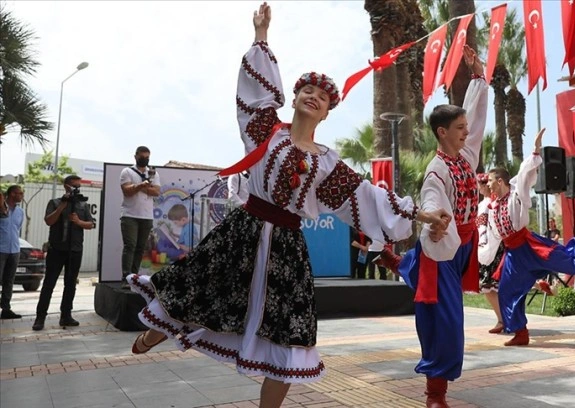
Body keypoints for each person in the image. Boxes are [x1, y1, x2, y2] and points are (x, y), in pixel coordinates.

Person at [124, 3, 449, 407]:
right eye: (307, 90)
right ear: (294, 97)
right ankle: (155, 331)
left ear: (328, 113)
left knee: (291, 335)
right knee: (197, 293)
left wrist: (420, 213)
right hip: (242, 232)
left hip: (287, 250)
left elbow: (365, 196)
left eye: (323, 97)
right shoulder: (264, 131)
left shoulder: (327, 164)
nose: (314, 97)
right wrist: (262, 35)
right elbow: (254, 93)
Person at [372, 45, 488, 408]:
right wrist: (436, 220)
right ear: (441, 132)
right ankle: (434, 395)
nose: (466, 133)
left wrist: (479, 77)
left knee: (443, 309)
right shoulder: (436, 170)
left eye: (466, 128)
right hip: (443, 247)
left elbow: (478, 119)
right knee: (446, 322)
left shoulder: (466, 155)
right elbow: (433, 199)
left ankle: (399, 263)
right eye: (459, 129)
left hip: (463, 246)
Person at [479, 130, 575, 347]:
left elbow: (524, 174)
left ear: (500, 181)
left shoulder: (515, 195)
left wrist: (535, 150)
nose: (487, 184)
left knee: (569, 265)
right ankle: (520, 332)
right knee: (508, 292)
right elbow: (493, 236)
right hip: (513, 254)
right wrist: (484, 252)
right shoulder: (491, 207)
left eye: (489, 180)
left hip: (529, 245)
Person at [32, 175, 95, 330]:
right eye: (74, 186)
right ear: (66, 186)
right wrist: (62, 206)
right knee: (49, 284)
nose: (77, 189)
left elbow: (91, 224)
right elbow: (49, 221)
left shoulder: (82, 204)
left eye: (79, 186)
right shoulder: (54, 203)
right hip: (56, 249)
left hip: (75, 250)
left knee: (70, 284)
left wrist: (79, 222)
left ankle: (66, 316)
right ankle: (40, 317)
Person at [120, 146, 161, 281]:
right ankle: (126, 277)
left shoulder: (153, 173)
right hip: (130, 215)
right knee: (130, 245)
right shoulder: (127, 171)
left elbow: (156, 192)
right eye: (142, 157)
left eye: (147, 157)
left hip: (146, 215)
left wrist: (141, 187)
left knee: (140, 248)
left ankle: (134, 278)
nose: (145, 160)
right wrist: (141, 186)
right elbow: (127, 191)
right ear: (136, 156)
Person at [475, 173, 505, 335]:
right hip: (492, 247)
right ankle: (503, 318)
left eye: (480, 185)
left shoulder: (487, 204)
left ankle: (502, 319)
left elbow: (485, 227)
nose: (478, 188)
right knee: (493, 286)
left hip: (489, 249)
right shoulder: (489, 203)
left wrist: (482, 244)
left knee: (488, 286)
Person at [0, 185, 24, 319]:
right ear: (11, 194)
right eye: (19, 193)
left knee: (9, 281)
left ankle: (6, 309)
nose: (21, 195)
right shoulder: (1, 208)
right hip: (0, 249)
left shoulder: (20, 211)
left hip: (14, 250)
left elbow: (17, 229)